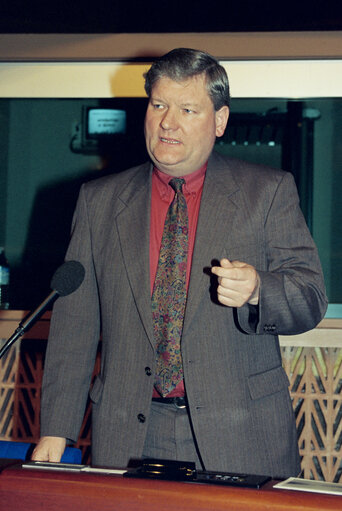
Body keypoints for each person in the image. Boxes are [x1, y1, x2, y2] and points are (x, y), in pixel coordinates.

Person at [32, 48, 327, 478]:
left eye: (187, 109)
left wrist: (260, 288)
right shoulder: (99, 202)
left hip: (240, 432)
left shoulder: (267, 192)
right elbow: (75, 325)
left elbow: (311, 297)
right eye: (158, 105)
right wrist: (56, 429)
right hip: (129, 432)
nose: (168, 122)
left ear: (220, 121)